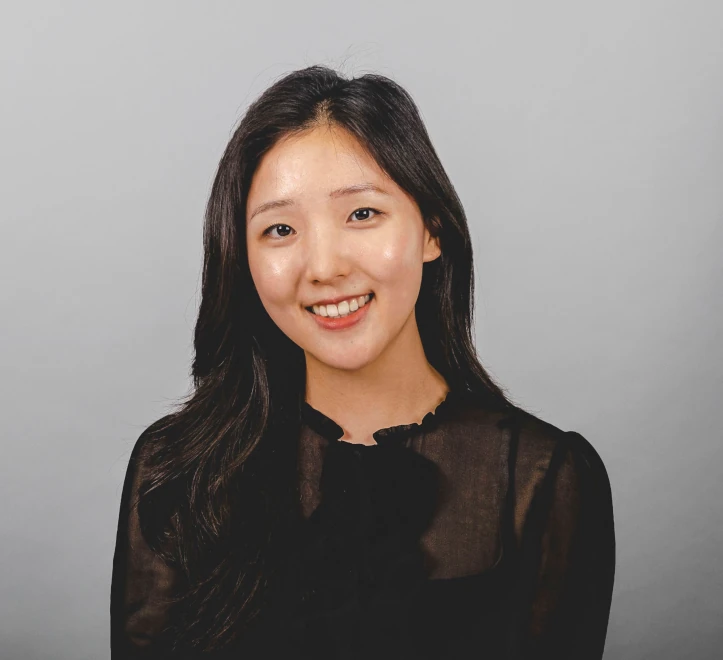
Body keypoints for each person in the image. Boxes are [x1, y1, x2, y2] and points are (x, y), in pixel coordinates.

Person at [110, 65, 616, 659]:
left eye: (362, 214)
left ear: (432, 230)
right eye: (280, 228)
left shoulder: (542, 478)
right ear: (242, 259)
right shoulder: (177, 470)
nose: (324, 267)